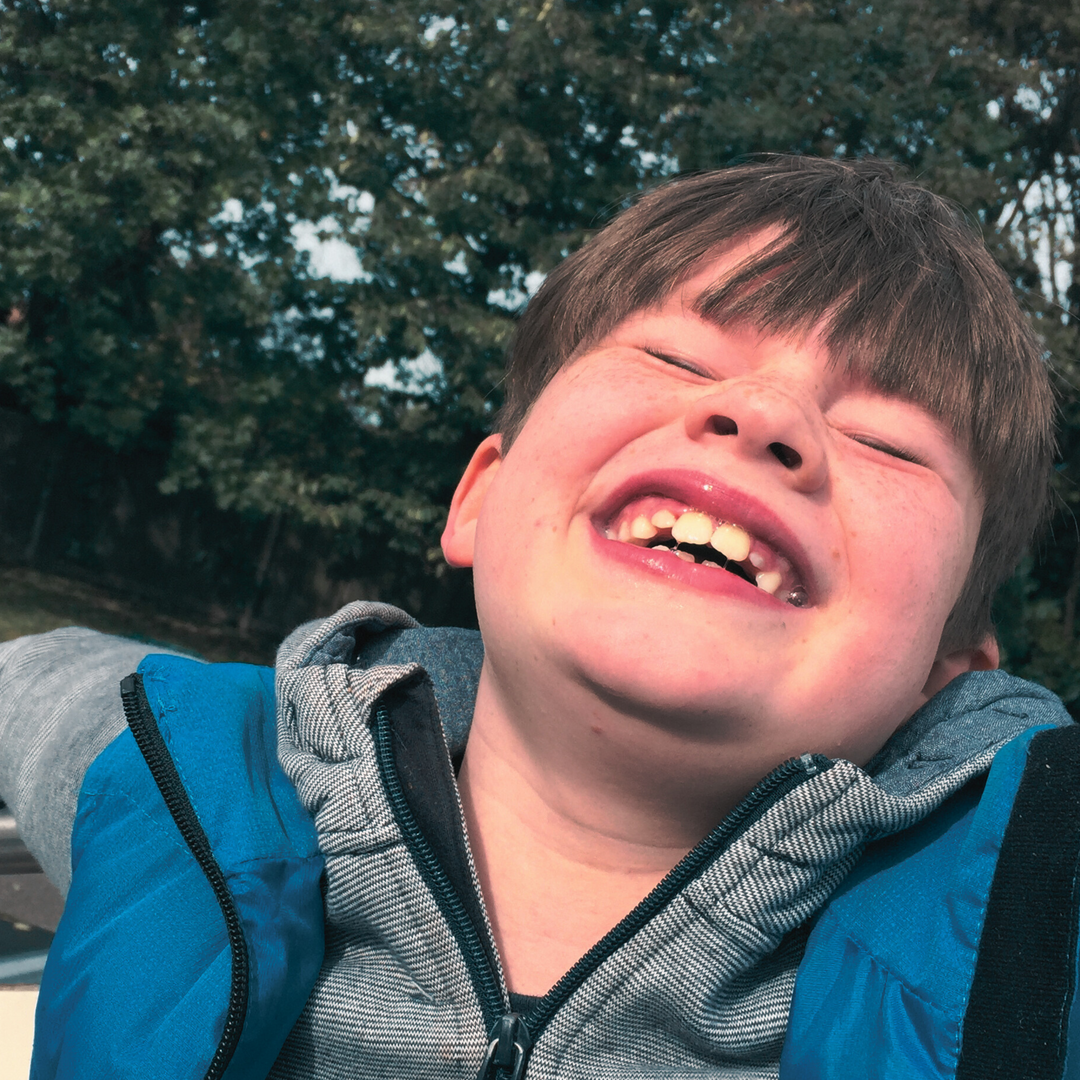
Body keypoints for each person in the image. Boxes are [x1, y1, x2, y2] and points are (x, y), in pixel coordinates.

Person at [2, 155, 1077, 1080]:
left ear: (952, 671)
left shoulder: (1034, 949)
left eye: (888, 437)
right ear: (479, 497)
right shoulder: (171, 767)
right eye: (676, 359)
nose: (763, 415)